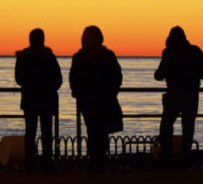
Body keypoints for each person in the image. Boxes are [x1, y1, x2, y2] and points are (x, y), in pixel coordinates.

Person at [69, 26, 122, 172]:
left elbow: (73, 79)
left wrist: (78, 93)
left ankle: (92, 161)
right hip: (105, 100)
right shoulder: (108, 55)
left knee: (92, 131)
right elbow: (117, 77)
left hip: (87, 101)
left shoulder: (79, 57)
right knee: (102, 132)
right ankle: (100, 162)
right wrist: (112, 92)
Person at [154, 26, 203, 167]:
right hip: (191, 95)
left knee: (166, 126)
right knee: (188, 128)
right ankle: (185, 158)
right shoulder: (196, 51)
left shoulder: (168, 53)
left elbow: (158, 75)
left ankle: (167, 156)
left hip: (173, 95)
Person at [14, 28, 62, 170]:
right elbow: (58, 79)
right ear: (43, 39)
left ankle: (30, 162)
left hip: (29, 99)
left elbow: (18, 79)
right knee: (47, 132)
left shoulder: (23, 57)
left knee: (30, 132)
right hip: (47, 99)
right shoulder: (48, 56)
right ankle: (47, 162)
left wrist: (30, 85)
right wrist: (50, 88)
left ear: (30, 40)